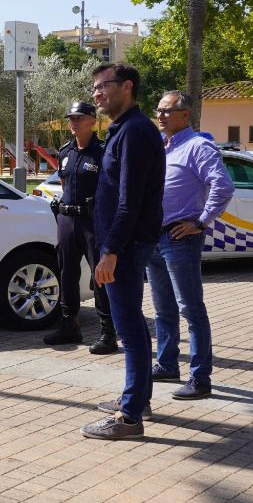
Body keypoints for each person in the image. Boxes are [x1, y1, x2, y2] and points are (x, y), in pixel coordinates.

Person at [81, 63, 165, 440]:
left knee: (129, 327)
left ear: (127, 87)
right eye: (95, 87)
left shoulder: (134, 132)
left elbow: (129, 202)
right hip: (124, 244)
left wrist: (111, 250)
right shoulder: (125, 130)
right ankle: (137, 400)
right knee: (130, 325)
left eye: (103, 86)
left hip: (126, 247)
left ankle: (130, 418)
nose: (97, 93)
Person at [147, 91, 233, 400]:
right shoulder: (163, 147)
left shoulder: (198, 146)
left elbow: (223, 185)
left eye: (167, 111)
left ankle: (200, 378)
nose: (161, 116)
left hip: (181, 238)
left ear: (185, 114)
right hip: (155, 238)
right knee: (163, 309)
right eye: (158, 110)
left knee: (191, 309)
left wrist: (200, 221)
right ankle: (168, 363)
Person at [43, 101, 116, 354]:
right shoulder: (65, 152)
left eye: (79, 117)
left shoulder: (103, 152)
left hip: (92, 222)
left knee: (100, 277)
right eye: (71, 118)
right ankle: (69, 325)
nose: (74, 122)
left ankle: (108, 332)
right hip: (67, 219)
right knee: (67, 273)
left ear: (92, 121)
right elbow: (65, 186)